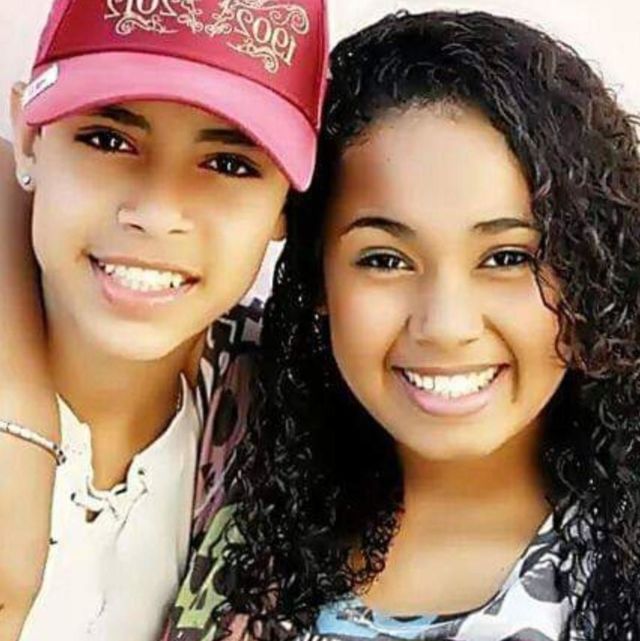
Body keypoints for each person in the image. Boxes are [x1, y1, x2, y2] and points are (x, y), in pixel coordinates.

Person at [196, 11, 640, 641]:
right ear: (318, 276)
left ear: (589, 270)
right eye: (385, 260)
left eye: (508, 258)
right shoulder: (232, 428)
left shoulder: (616, 565)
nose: (446, 326)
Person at [0, 0, 328, 639]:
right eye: (107, 139)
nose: (156, 213)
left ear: (286, 208)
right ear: (31, 138)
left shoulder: (286, 423)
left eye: (230, 164)